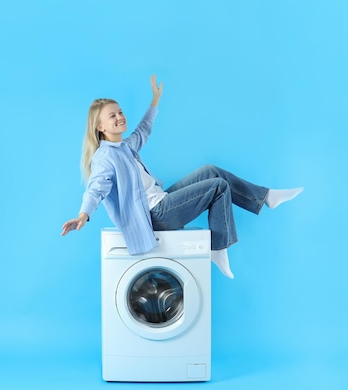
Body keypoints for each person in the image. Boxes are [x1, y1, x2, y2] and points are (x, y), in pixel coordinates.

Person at [61, 75, 304, 279]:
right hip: (154, 216)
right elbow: (96, 188)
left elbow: (143, 130)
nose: (119, 117)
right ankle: (218, 247)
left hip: (162, 202)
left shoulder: (125, 147)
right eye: (112, 116)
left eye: (120, 112)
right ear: (100, 127)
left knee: (211, 171)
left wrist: (155, 100)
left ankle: (266, 197)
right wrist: (84, 214)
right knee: (218, 187)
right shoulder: (105, 157)